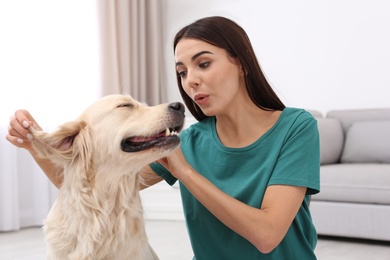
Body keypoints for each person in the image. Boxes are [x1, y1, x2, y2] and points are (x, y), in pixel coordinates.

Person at [7, 16, 320, 259]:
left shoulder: (296, 127)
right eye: (182, 72)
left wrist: (184, 172)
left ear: (240, 63)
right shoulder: (192, 140)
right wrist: (33, 145)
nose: (191, 81)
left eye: (204, 64)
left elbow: (267, 236)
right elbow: (88, 181)